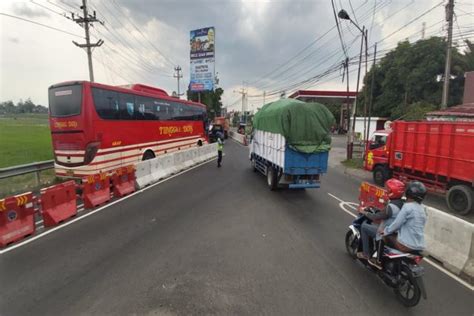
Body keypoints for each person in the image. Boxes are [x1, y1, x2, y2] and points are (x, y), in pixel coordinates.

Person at [357, 179, 406, 268]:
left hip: (385, 232)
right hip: (397, 233)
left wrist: (364, 212)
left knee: (364, 226)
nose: (386, 191)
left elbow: (375, 217)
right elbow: (386, 214)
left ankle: (366, 254)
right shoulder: (402, 204)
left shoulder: (391, 207)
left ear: (393, 192)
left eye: (388, 189)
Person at [381, 181, 427, 253]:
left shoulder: (407, 207)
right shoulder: (423, 208)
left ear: (408, 193)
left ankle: (378, 260)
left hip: (406, 245)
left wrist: (385, 231)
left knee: (383, 236)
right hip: (420, 245)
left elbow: (397, 224)